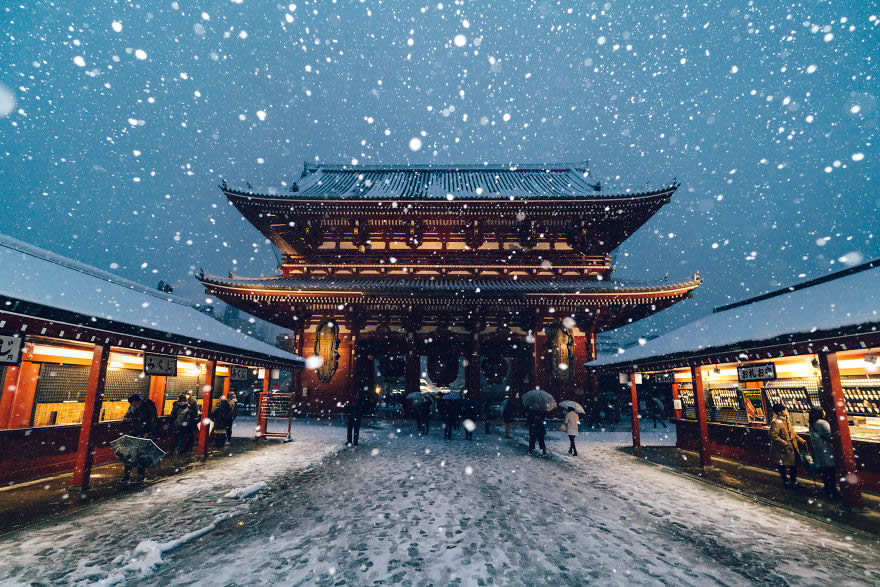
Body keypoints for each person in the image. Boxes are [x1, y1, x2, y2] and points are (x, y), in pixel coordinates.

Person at [120, 394, 157, 487]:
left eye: (133, 404)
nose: (132, 406)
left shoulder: (147, 407)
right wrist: (126, 419)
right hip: (133, 433)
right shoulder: (133, 408)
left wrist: (148, 432)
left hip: (142, 434)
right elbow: (128, 417)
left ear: (137, 402)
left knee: (140, 457)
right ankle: (126, 477)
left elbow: (151, 421)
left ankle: (140, 478)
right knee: (129, 456)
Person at [769, 404, 807, 489]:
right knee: (782, 465)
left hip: (791, 447)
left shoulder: (787, 419)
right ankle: (785, 481)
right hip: (782, 449)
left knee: (793, 465)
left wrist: (801, 440)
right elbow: (773, 436)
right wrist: (784, 443)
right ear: (780, 412)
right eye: (785, 410)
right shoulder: (775, 422)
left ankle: (793, 482)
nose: (787, 411)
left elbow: (793, 433)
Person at [809, 407, 840, 499]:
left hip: (819, 451)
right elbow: (831, 436)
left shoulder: (811, 423)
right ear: (820, 413)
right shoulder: (823, 423)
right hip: (827, 450)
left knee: (825, 472)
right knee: (831, 472)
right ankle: (834, 491)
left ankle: (827, 488)